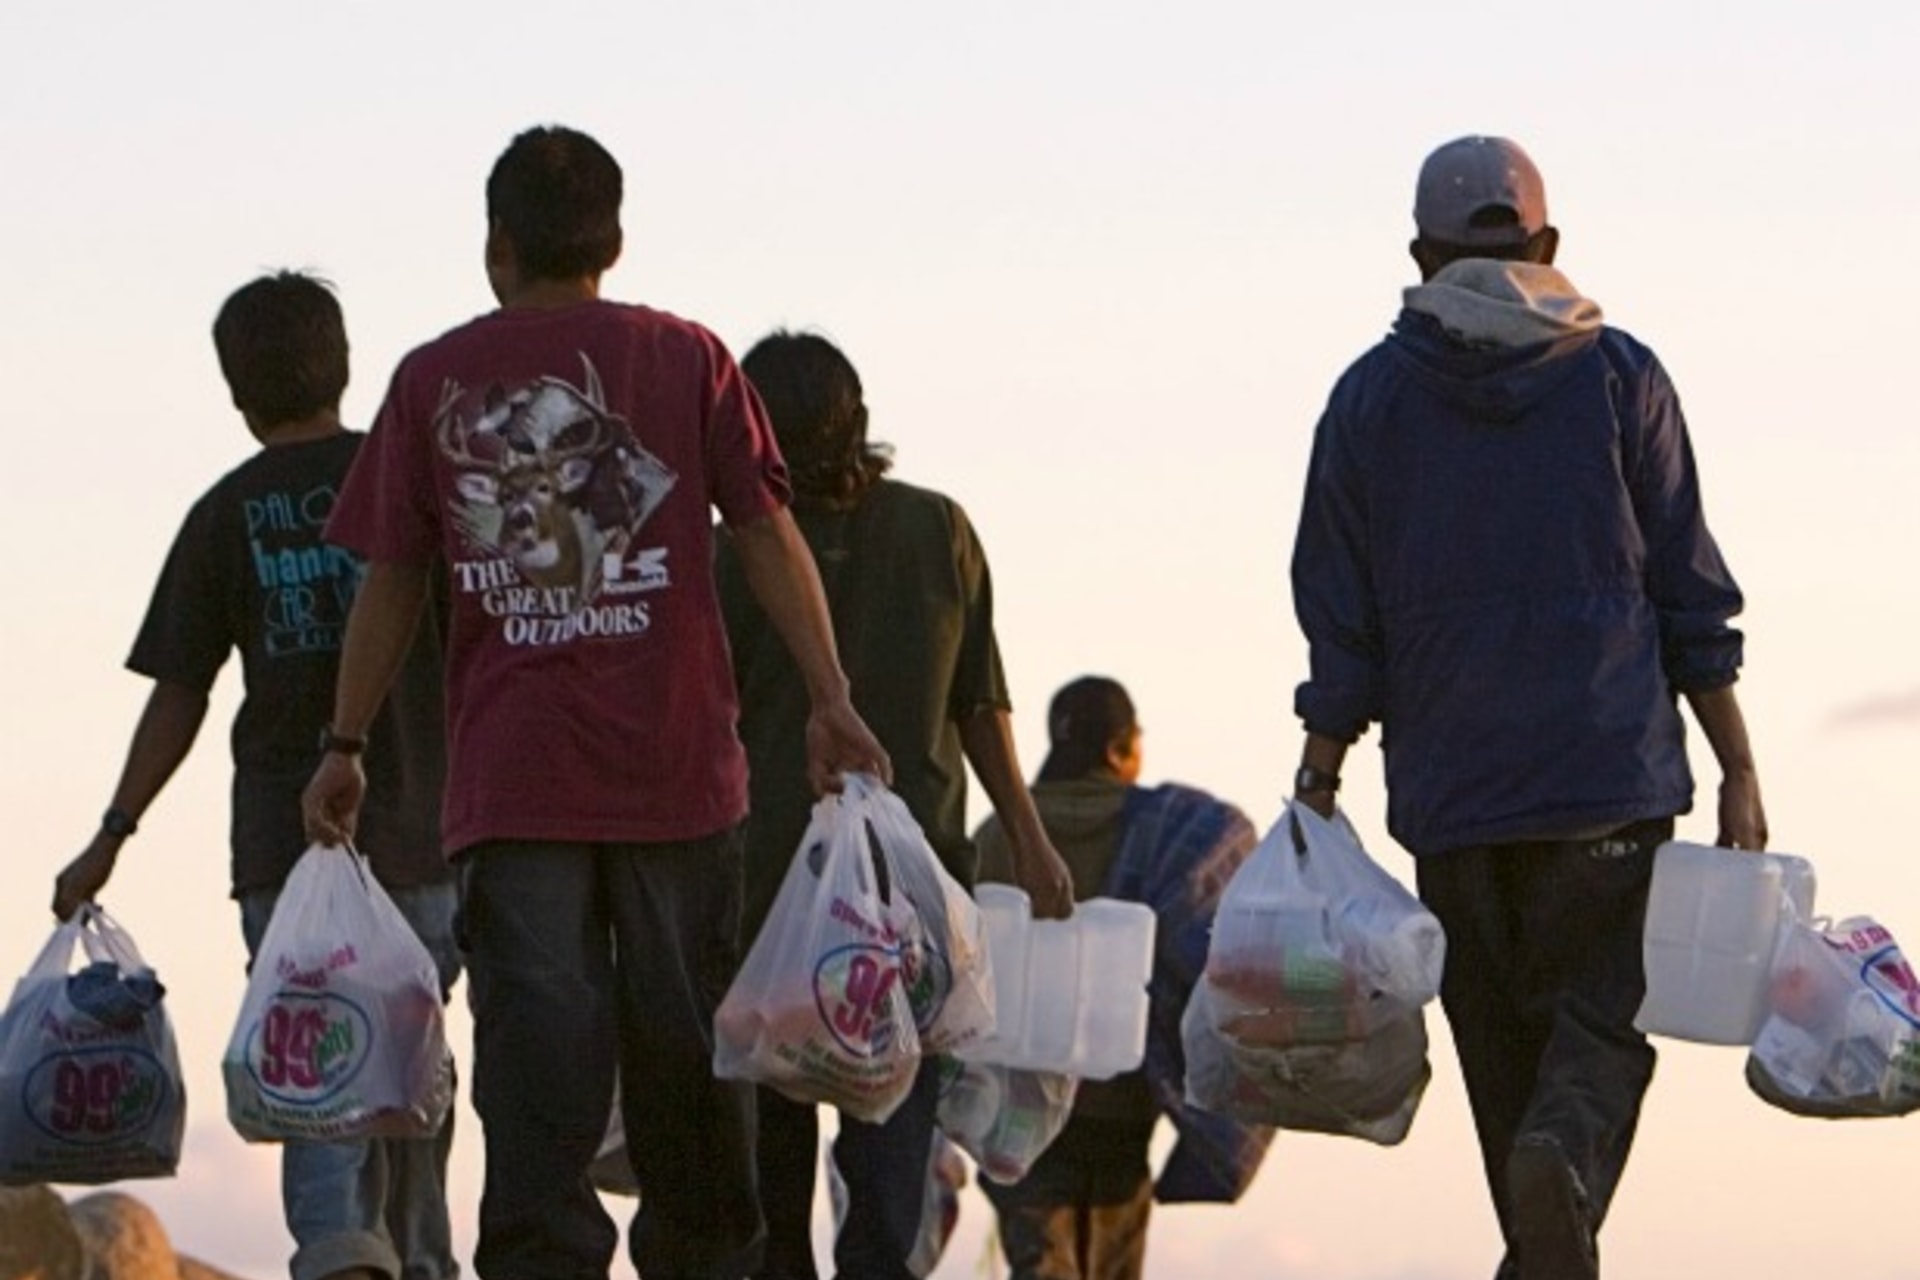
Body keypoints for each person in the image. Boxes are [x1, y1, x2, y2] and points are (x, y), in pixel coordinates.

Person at [299, 129, 891, 1280]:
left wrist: (344, 742)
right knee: (687, 1050)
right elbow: (765, 533)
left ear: (497, 245)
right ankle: (708, 1259)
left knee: (536, 1062)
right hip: (675, 776)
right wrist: (831, 695)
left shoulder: (433, 380)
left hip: (515, 787)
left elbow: (395, 577)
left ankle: (541, 1262)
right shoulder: (688, 357)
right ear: (613, 242)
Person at [1287, 135, 1768, 1280]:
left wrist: (1318, 774)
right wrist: (1738, 761)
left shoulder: (1366, 402)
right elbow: (1687, 586)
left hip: (1454, 806)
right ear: (1548, 245)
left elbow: (1338, 621)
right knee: (1596, 1042)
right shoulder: (1620, 379)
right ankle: (1562, 1152)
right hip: (1608, 788)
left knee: (1502, 1070)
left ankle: (1541, 1193)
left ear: (1419, 254)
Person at [51, 271, 460, 1280]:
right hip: (429, 832)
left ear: (236, 388)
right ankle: (418, 1257)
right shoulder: (411, 480)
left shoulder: (225, 512)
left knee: (316, 1062)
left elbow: (178, 692)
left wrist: (113, 828)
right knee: (412, 1062)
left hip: (287, 849)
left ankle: (338, 1256)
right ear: (345, 364)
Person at [714, 329, 1074, 1280]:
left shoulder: (729, 558)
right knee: (888, 1162)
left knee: (774, 1171)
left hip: (764, 904)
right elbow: (983, 705)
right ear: (862, 425)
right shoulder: (935, 528)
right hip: (909, 912)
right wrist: (1029, 843)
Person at [972, 676, 1273, 1280]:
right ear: (1117, 749)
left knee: (1042, 1262)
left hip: (1015, 1110)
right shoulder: (1169, 835)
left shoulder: (997, 836)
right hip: (1121, 1107)